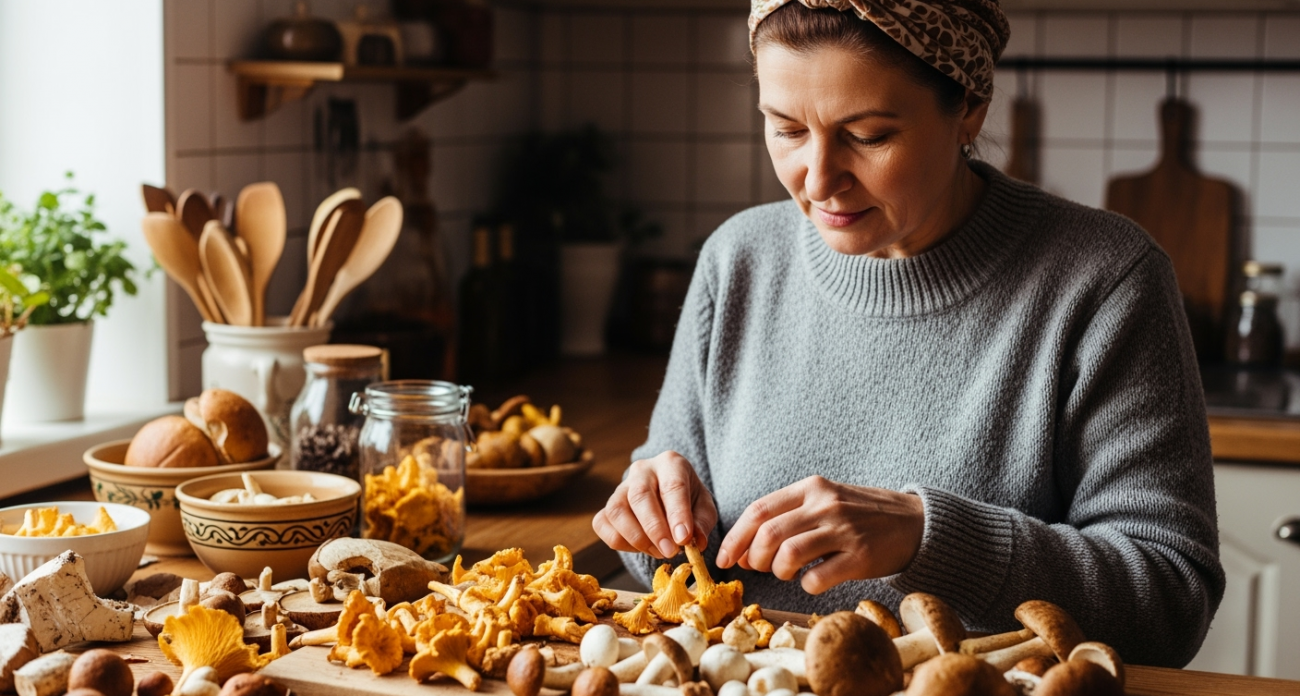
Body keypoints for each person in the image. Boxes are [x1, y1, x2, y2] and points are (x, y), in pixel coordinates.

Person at [592, 0, 1224, 668]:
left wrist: (930, 539)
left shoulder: (1103, 278)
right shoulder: (738, 258)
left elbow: (1170, 605)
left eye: (866, 136)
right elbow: (671, 563)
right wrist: (648, 516)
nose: (817, 178)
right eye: (785, 129)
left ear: (970, 110)